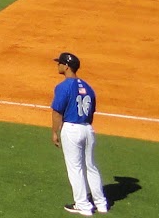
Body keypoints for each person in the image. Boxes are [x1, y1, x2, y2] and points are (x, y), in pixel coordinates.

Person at [51, 51, 107, 215]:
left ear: (66, 66)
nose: (58, 65)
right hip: (88, 129)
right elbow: (92, 112)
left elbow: (57, 112)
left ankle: (83, 205)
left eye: (59, 63)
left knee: (75, 169)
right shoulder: (88, 87)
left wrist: (55, 132)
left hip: (72, 129)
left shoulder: (63, 86)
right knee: (91, 167)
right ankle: (101, 203)